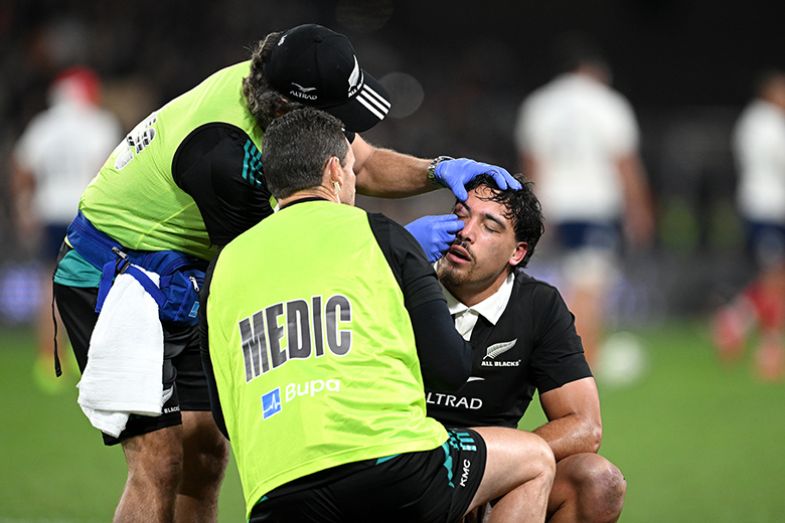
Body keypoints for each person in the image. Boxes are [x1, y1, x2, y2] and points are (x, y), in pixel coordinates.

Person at [51, 23, 522, 523]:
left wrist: (440, 169)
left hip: (184, 268)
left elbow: (357, 167)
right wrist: (398, 246)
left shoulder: (282, 74)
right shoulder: (223, 156)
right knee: (160, 461)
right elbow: (283, 258)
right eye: (339, 118)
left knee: (206, 455)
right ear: (291, 112)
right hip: (118, 275)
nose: (348, 131)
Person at [202, 107, 555, 522]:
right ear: (335, 172)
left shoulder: (222, 267)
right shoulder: (381, 235)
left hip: (275, 493)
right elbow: (451, 366)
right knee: (534, 460)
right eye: (354, 170)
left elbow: (225, 417)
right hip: (391, 470)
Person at [406, 174, 626, 522]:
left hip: (490, 472)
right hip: (403, 468)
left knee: (598, 482)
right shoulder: (401, 284)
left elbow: (585, 426)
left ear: (517, 252)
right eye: (461, 215)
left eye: (489, 226)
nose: (465, 232)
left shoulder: (538, 306)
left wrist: (486, 468)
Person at [513, 38, 654, 366]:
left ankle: (555, 353)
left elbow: (531, 163)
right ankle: (580, 358)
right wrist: (640, 209)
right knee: (590, 284)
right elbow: (625, 163)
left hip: (550, 204)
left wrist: (529, 210)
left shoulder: (539, 104)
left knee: (557, 282)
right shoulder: (608, 103)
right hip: (593, 206)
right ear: (593, 70)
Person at [10, 66, 121, 393]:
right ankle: (89, 353)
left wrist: (23, 205)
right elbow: (106, 168)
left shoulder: (43, 124)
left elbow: (22, 166)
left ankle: (49, 358)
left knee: (49, 284)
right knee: (95, 280)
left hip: (49, 211)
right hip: (85, 211)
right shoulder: (99, 122)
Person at [712, 69, 785, 381]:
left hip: (763, 207)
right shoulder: (766, 123)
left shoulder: (753, 121)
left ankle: (735, 318)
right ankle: (769, 348)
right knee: (773, 278)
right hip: (767, 208)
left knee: (774, 277)